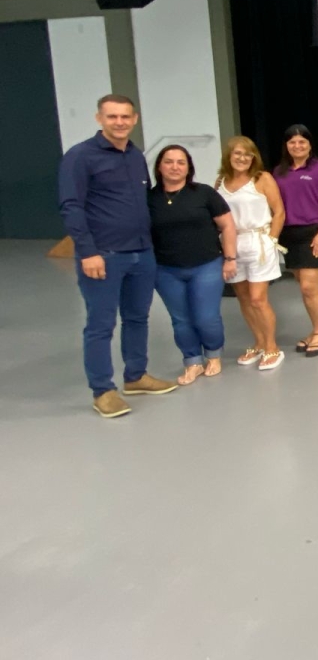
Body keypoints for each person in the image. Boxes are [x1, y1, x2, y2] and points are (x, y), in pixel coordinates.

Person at [59, 95, 178, 418]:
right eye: (112, 116)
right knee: (101, 325)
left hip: (142, 252)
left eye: (125, 116)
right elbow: (71, 206)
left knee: (138, 318)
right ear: (99, 118)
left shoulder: (135, 156)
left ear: (135, 119)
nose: (120, 122)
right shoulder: (80, 156)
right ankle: (103, 391)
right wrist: (88, 252)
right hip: (104, 255)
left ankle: (136, 376)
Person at [149, 145, 238, 385]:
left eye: (181, 162)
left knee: (206, 317)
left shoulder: (204, 193)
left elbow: (228, 226)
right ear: (159, 167)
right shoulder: (149, 198)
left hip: (206, 266)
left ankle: (213, 355)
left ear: (189, 168)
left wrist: (230, 258)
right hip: (165, 270)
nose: (175, 167)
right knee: (180, 319)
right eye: (169, 162)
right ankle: (192, 362)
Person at [216, 136, 286, 372]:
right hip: (232, 245)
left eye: (248, 154)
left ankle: (272, 347)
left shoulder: (262, 178)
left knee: (258, 298)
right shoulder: (221, 181)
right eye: (238, 153)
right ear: (229, 155)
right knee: (244, 298)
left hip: (259, 242)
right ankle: (259, 342)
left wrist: (271, 239)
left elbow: (279, 212)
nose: (242, 158)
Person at [275, 125, 318, 357]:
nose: (297, 146)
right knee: (303, 287)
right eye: (292, 142)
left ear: (310, 145)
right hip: (289, 235)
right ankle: (316, 329)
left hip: (315, 232)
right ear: (286, 146)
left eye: (302, 142)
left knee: (309, 286)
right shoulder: (279, 172)